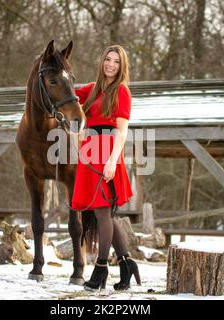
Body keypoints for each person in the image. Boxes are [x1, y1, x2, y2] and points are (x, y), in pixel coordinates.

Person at [71, 45, 141, 291]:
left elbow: (122, 131)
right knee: (104, 214)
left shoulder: (121, 91)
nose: (111, 64)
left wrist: (113, 159)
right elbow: (65, 99)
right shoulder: (90, 89)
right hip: (89, 152)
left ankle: (101, 268)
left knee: (102, 213)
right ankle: (127, 263)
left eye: (116, 62)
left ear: (122, 67)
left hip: (108, 153)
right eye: (108, 59)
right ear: (102, 62)